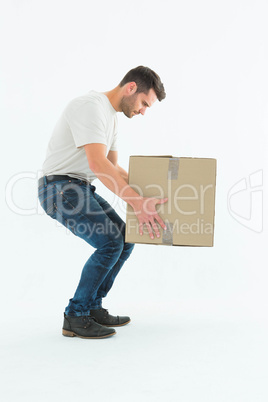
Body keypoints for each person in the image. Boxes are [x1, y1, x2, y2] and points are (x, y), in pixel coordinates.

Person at [38, 66, 167, 339]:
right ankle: (75, 315)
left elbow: (113, 167)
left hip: (78, 188)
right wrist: (136, 202)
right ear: (130, 87)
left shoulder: (111, 119)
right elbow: (98, 164)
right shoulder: (90, 106)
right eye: (145, 103)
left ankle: (92, 307)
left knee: (125, 238)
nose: (144, 111)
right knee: (110, 242)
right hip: (60, 188)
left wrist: (151, 192)